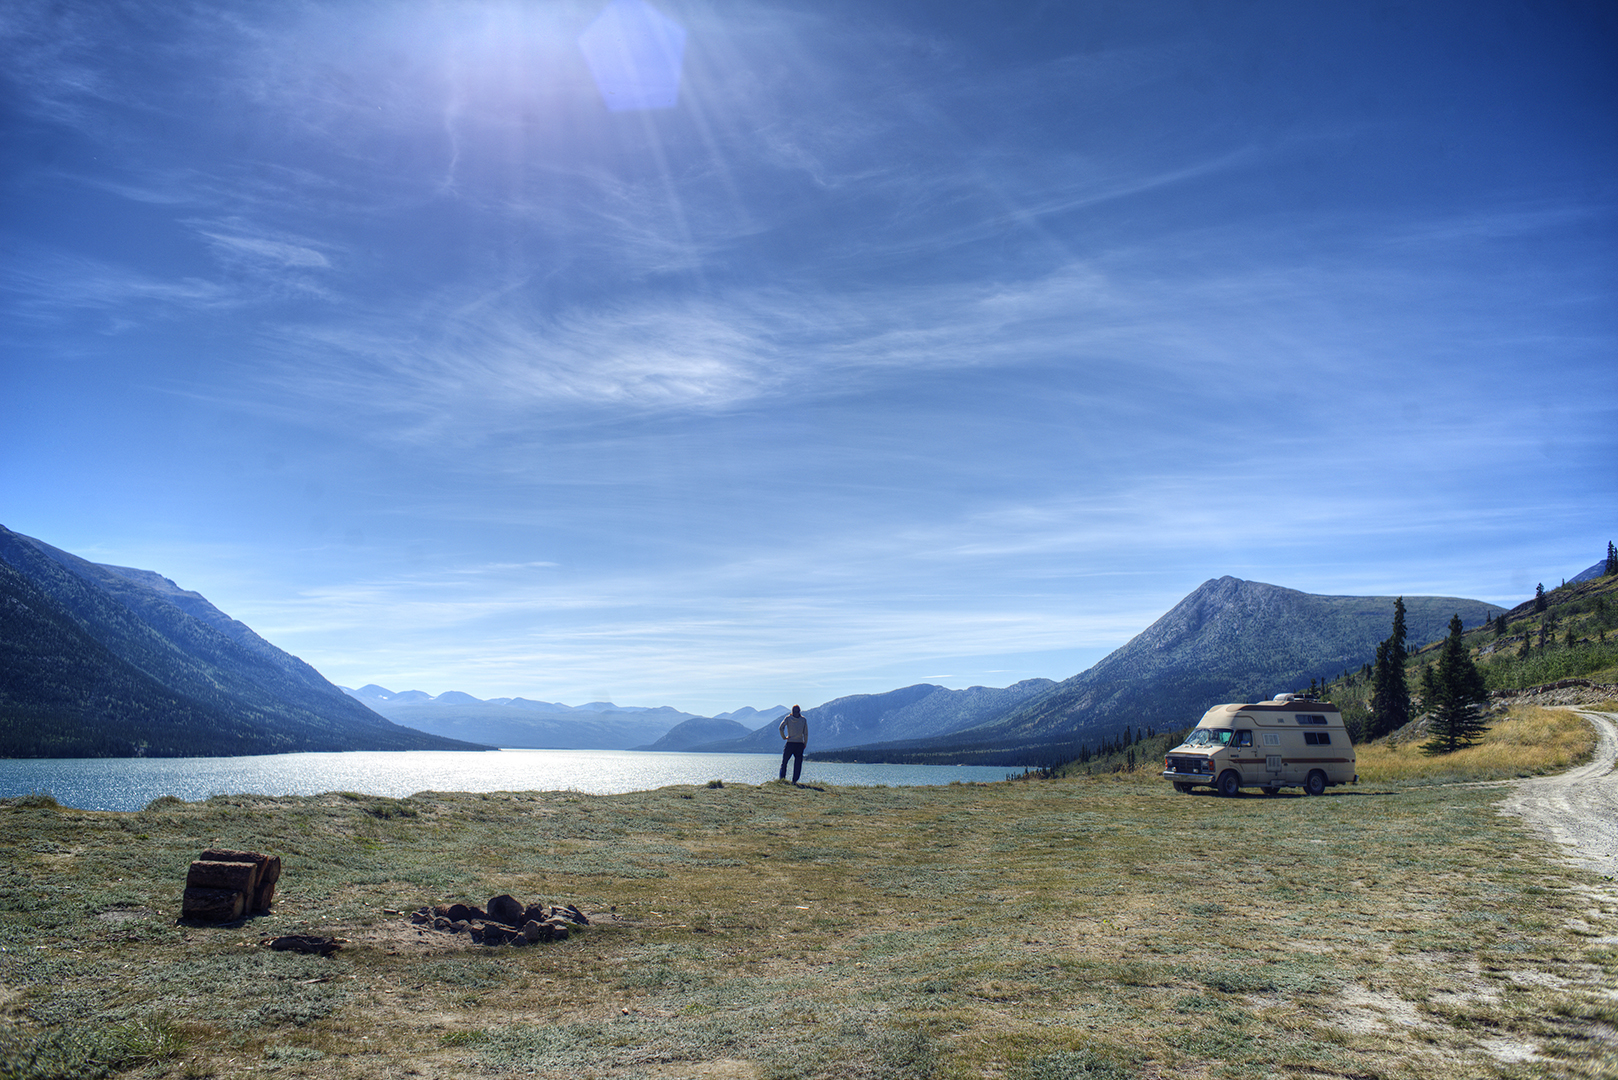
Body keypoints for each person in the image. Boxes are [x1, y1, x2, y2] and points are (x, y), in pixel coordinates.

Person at [778, 705, 808, 784]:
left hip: (790, 742)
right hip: (799, 743)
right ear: (799, 711)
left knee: (784, 762)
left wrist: (784, 737)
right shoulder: (803, 720)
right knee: (798, 763)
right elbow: (806, 734)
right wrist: (805, 743)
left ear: (792, 711)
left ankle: (782, 779)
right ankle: (794, 781)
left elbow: (781, 728)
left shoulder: (788, 719)